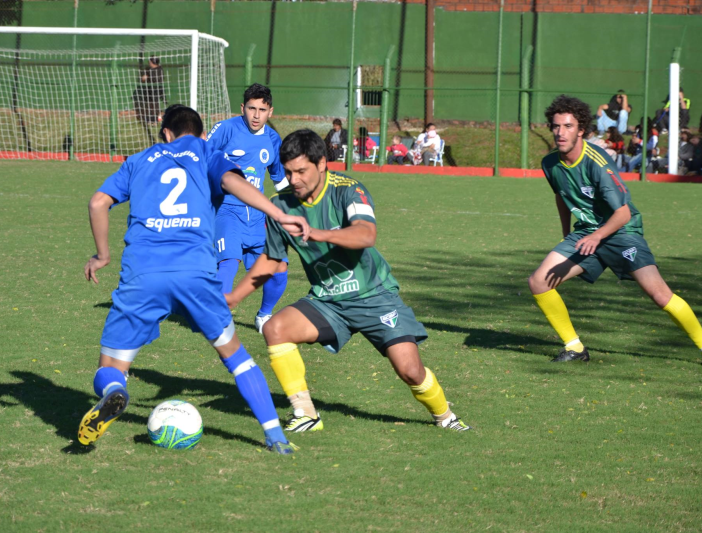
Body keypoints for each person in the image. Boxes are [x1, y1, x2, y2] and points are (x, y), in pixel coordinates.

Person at [78, 105, 311, 454]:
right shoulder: (206, 151)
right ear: (202, 134)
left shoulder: (139, 159)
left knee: (112, 363)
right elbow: (233, 181)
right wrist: (278, 213)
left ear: (166, 133)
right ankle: (275, 436)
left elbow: (98, 203)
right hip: (196, 273)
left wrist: (103, 255)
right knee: (237, 357)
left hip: (143, 273)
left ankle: (115, 391)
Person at [225, 129, 471, 434]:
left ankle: (446, 417)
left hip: (374, 295)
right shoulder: (281, 206)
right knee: (276, 329)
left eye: (301, 171)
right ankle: (306, 414)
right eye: (288, 172)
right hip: (327, 300)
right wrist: (235, 298)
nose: (295, 179)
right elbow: (273, 259)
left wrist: (318, 233)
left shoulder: (349, 190)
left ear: (322, 164)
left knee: (410, 371)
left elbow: (366, 234)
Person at [527, 95, 702, 367]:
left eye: (568, 126)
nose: (560, 132)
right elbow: (561, 195)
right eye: (556, 126)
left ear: (581, 129)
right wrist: (566, 233)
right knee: (539, 282)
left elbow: (623, 213)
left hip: (621, 232)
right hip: (586, 234)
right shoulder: (550, 163)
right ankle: (574, 347)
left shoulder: (597, 162)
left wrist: (596, 236)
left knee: (660, 295)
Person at [207, 83, 290, 333]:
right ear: (242, 108)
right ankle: (219, 319)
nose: (256, 115)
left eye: (262, 110)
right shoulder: (225, 129)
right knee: (229, 263)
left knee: (279, 267)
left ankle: (264, 315)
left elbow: (279, 179)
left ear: (270, 112)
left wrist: (296, 208)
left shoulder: (273, 139)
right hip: (227, 209)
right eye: (251, 108)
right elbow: (202, 158)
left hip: (257, 216)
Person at [132, 56, 166, 143]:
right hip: (150, 90)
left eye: (150, 61)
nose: (148, 63)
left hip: (156, 90)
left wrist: (147, 77)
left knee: (154, 104)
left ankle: (154, 120)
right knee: (150, 105)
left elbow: (156, 79)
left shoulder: (158, 70)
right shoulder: (151, 69)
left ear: (152, 62)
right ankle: (154, 118)